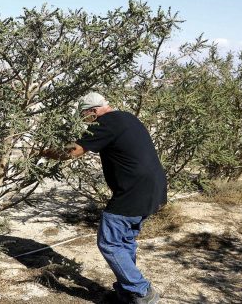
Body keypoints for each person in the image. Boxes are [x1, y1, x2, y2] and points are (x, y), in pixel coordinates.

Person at [41, 92, 167, 304]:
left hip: (133, 193)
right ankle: (127, 292)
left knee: (109, 242)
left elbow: (74, 151)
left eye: (84, 115)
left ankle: (142, 291)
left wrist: (44, 152)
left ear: (93, 111)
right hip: (153, 189)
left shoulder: (105, 123)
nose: (84, 120)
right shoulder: (126, 117)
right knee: (125, 241)